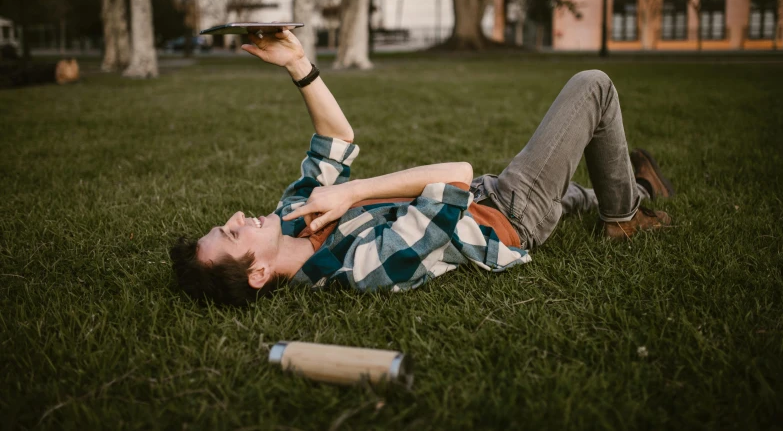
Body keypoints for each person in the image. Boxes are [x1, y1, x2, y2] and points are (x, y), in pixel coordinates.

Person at [170, 30, 674, 306]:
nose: (238, 217)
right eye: (233, 234)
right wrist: (351, 192)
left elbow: (336, 140)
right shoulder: (357, 270)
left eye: (226, 224)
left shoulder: (292, 215)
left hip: (484, 193)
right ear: (258, 273)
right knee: (593, 85)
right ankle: (624, 216)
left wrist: (298, 66)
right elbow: (455, 174)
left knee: (573, 193)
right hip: (508, 216)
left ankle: (631, 189)